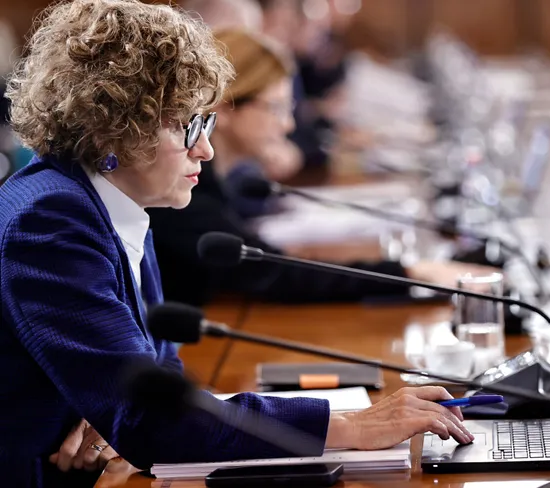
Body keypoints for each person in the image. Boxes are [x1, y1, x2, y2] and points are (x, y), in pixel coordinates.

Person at [1, 1, 473, 486]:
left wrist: (114, 413)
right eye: (187, 126)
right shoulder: (51, 221)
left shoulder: (108, 200)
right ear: (115, 127)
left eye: (205, 124)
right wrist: (351, 426)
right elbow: (151, 419)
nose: (205, 148)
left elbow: (158, 378)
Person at [147, 28, 494, 307]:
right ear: (225, 108)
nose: (287, 125)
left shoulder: (219, 182)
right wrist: (411, 273)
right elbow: (274, 274)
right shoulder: (183, 195)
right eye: (275, 108)